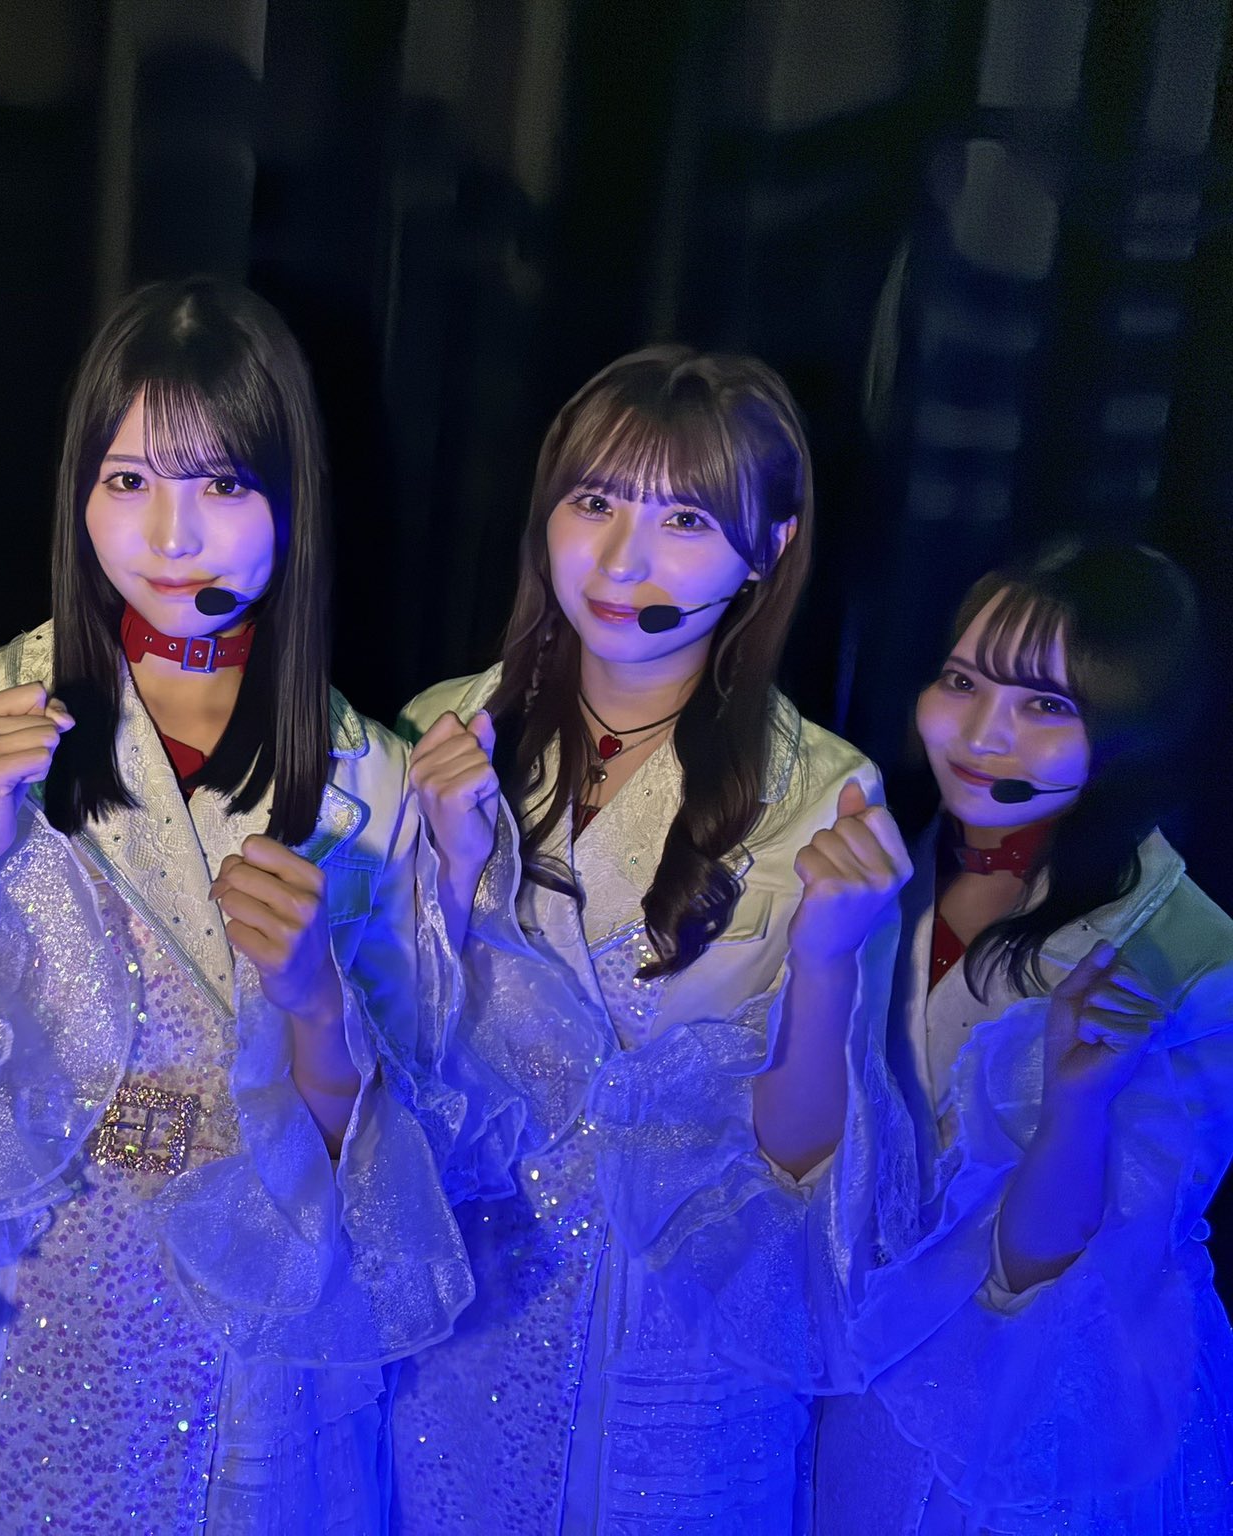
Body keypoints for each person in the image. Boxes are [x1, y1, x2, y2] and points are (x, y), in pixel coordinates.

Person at [0, 277, 466, 1533]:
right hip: (16, 1315)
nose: (172, 536)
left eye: (222, 485)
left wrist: (314, 1005)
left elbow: (394, 1167)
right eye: (127, 481)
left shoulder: (367, 774)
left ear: (292, 500)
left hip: (247, 1353)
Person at [389, 345, 911, 1531]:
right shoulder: (440, 731)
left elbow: (808, 1166)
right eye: (594, 502)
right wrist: (451, 881)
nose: (623, 560)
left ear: (767, 548)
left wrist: (827, 959)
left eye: (683, 518)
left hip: (682, 1363)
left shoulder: (822, 795)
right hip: (464, 1339)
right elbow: (380, 1082)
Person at [817, 543, 1233, 1533]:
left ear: (1131, 727)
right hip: (854, 1387)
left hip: (1045, 1421)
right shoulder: (874, 864)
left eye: (1043, 704)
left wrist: (1075, 1107)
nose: (980, 733)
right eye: (961, 682)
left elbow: (1079, 1274)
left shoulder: (1189, 955)